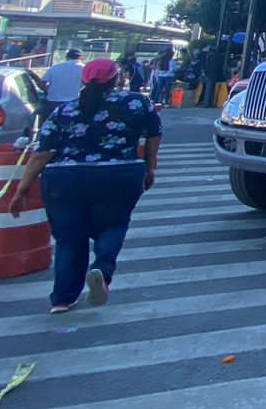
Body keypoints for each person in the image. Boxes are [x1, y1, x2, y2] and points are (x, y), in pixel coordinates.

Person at [10, 58, 160, 314]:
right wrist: (149, 167)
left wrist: (22, 189)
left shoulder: (64, 111)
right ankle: (102, 267)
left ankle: (62, 298)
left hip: (64, 178)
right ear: (117, 79)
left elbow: (42, 153)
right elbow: (153, 135)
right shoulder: (136, 102)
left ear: (84, 81)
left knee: (69, 238)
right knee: (114, 224)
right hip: (119, 174)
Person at [39, 49, 85, 124]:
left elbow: (42, 83)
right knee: (69, 125)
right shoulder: (84, 69)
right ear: (81, 58)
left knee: (50, 125)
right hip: (73, 102)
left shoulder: (56, 67)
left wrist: (48, 90)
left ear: (66, 57)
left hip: (53, 101)